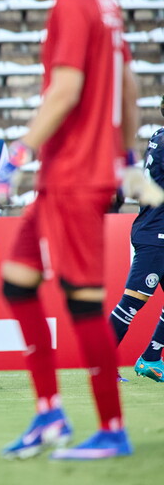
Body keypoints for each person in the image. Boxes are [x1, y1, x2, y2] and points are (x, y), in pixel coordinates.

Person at [0, 0, 162, 460]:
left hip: (73, 178)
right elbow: (128, 82)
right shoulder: (103, 1)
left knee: (82, 303)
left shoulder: (70, 3)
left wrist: (15, 157)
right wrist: (130, 155)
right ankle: (50, 414)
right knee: (16, 283)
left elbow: (65, 90)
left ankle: (111, 428)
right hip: (73, 174)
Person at [108, 94, 164, 382]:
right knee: (132, 303)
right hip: (156, 234)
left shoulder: (159, 135)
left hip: (155, 228)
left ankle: (152, 358)